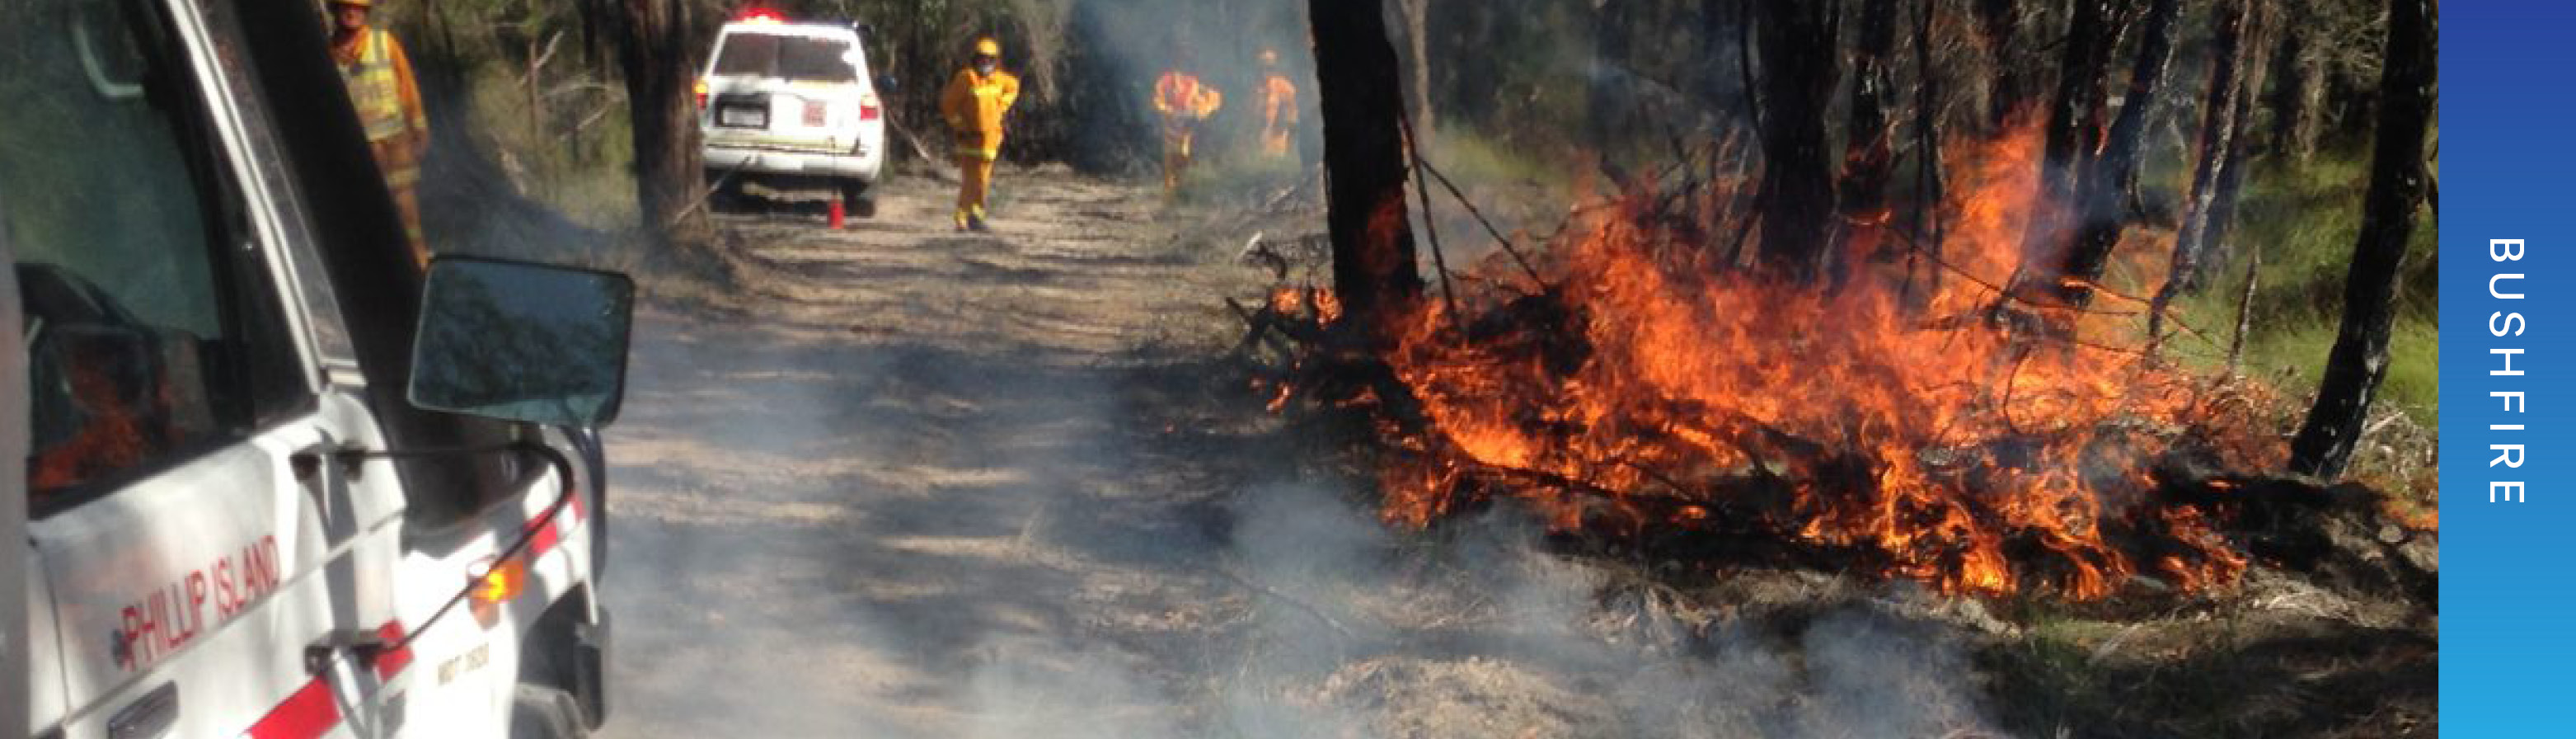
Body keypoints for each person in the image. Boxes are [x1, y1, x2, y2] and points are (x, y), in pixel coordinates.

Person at [328, 0, 431, 267]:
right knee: (368, 214)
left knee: (407, 213)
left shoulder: (385, 43)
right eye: (346, 7)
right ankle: (383, 268)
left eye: (359, 7)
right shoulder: (328, 54)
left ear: (367, 11)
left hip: (395, 145)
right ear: (335, 10)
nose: (352, 12)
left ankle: (419, 267)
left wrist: (420, 130)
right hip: (360, 150)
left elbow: (408, 88)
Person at [939, 35, 1021, 233]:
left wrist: (1002, 106)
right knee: (969, 181)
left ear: (995, 60)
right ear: (976, 58)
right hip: (969, 140)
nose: (986, 62)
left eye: (990, 59)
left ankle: (977, 216)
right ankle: (961, 218)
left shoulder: (1000, 80)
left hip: (990, 140)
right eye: (982, 58)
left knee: (983, 181)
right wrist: (960, 127)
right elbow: (948, 106)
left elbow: (1013, 87)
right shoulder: (965, 78)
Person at [1152, 50, 1222, 195]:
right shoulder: (1165, 81)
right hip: (1172, 128)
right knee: (1171, 162)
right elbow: (1158, 101)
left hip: (1189, 129)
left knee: (1187, 160)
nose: (1182, 66)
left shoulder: (1193, 83)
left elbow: (1213, 99)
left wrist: (1203, 109)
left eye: (1185, 61)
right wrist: (1167, 110)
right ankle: (1171, 196)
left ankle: (1185, 192)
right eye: (1179, 61)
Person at [1256, 48, 1298, 160]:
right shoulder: (1257, 88)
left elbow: (1292, 112)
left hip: (1277, 137)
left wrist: (1284, 123)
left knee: (1274, 165)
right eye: (1262, 68)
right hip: (1257, 137)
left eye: (1269, 68)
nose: (1264, 72)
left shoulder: (1284, 86)